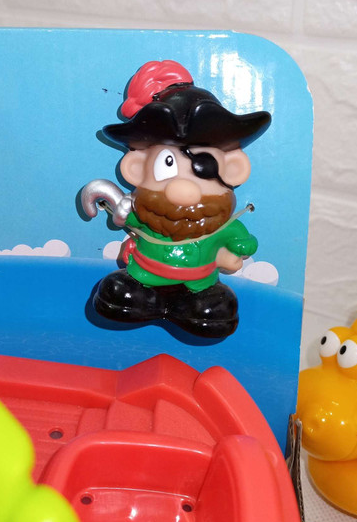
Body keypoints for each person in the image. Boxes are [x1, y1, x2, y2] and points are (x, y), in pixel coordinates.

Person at [82, 60, 271, 338]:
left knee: (216, 306)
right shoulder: (146, 214)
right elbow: (126, 216)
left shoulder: (221, 224)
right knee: (118, 292)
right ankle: (144, 299)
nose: (183, 189)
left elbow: (243, 243)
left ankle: (193, 305)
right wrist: (117, 207)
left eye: (202, 165)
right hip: (143, 277)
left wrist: (238, 247)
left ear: (233, 169)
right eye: (167, 164)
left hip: (199, 285)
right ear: (136, 168)